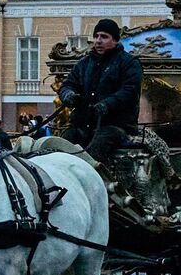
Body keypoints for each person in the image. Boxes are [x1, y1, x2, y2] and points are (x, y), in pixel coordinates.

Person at [57, 18, 143, 169]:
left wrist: (108, 104)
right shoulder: (83, 64)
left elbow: (130, 91)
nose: (98, 41)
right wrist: (68, 94)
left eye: (104, 37)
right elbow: (68, 84)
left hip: (115, 126)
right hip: (82, 125)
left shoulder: (129, 63)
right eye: (96, 36)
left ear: (115, 40)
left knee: (93, 155)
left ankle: (105, 187)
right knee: (59, 149)